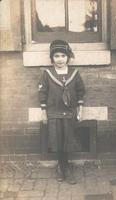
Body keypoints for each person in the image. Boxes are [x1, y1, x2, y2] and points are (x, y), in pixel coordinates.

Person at [38, 40, 85, 184]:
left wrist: (80, 109)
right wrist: (43, 111)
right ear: (52, 58)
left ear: (68, 57)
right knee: (57, 140)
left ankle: (67, 167)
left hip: (69, 112)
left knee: (67, 139)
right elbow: (43, 93)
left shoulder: (74, 73)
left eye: (63, 56)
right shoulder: (47, 74)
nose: (60, 59)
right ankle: (61, 166)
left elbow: (80, 91)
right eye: (56, 56)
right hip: (54, 113)